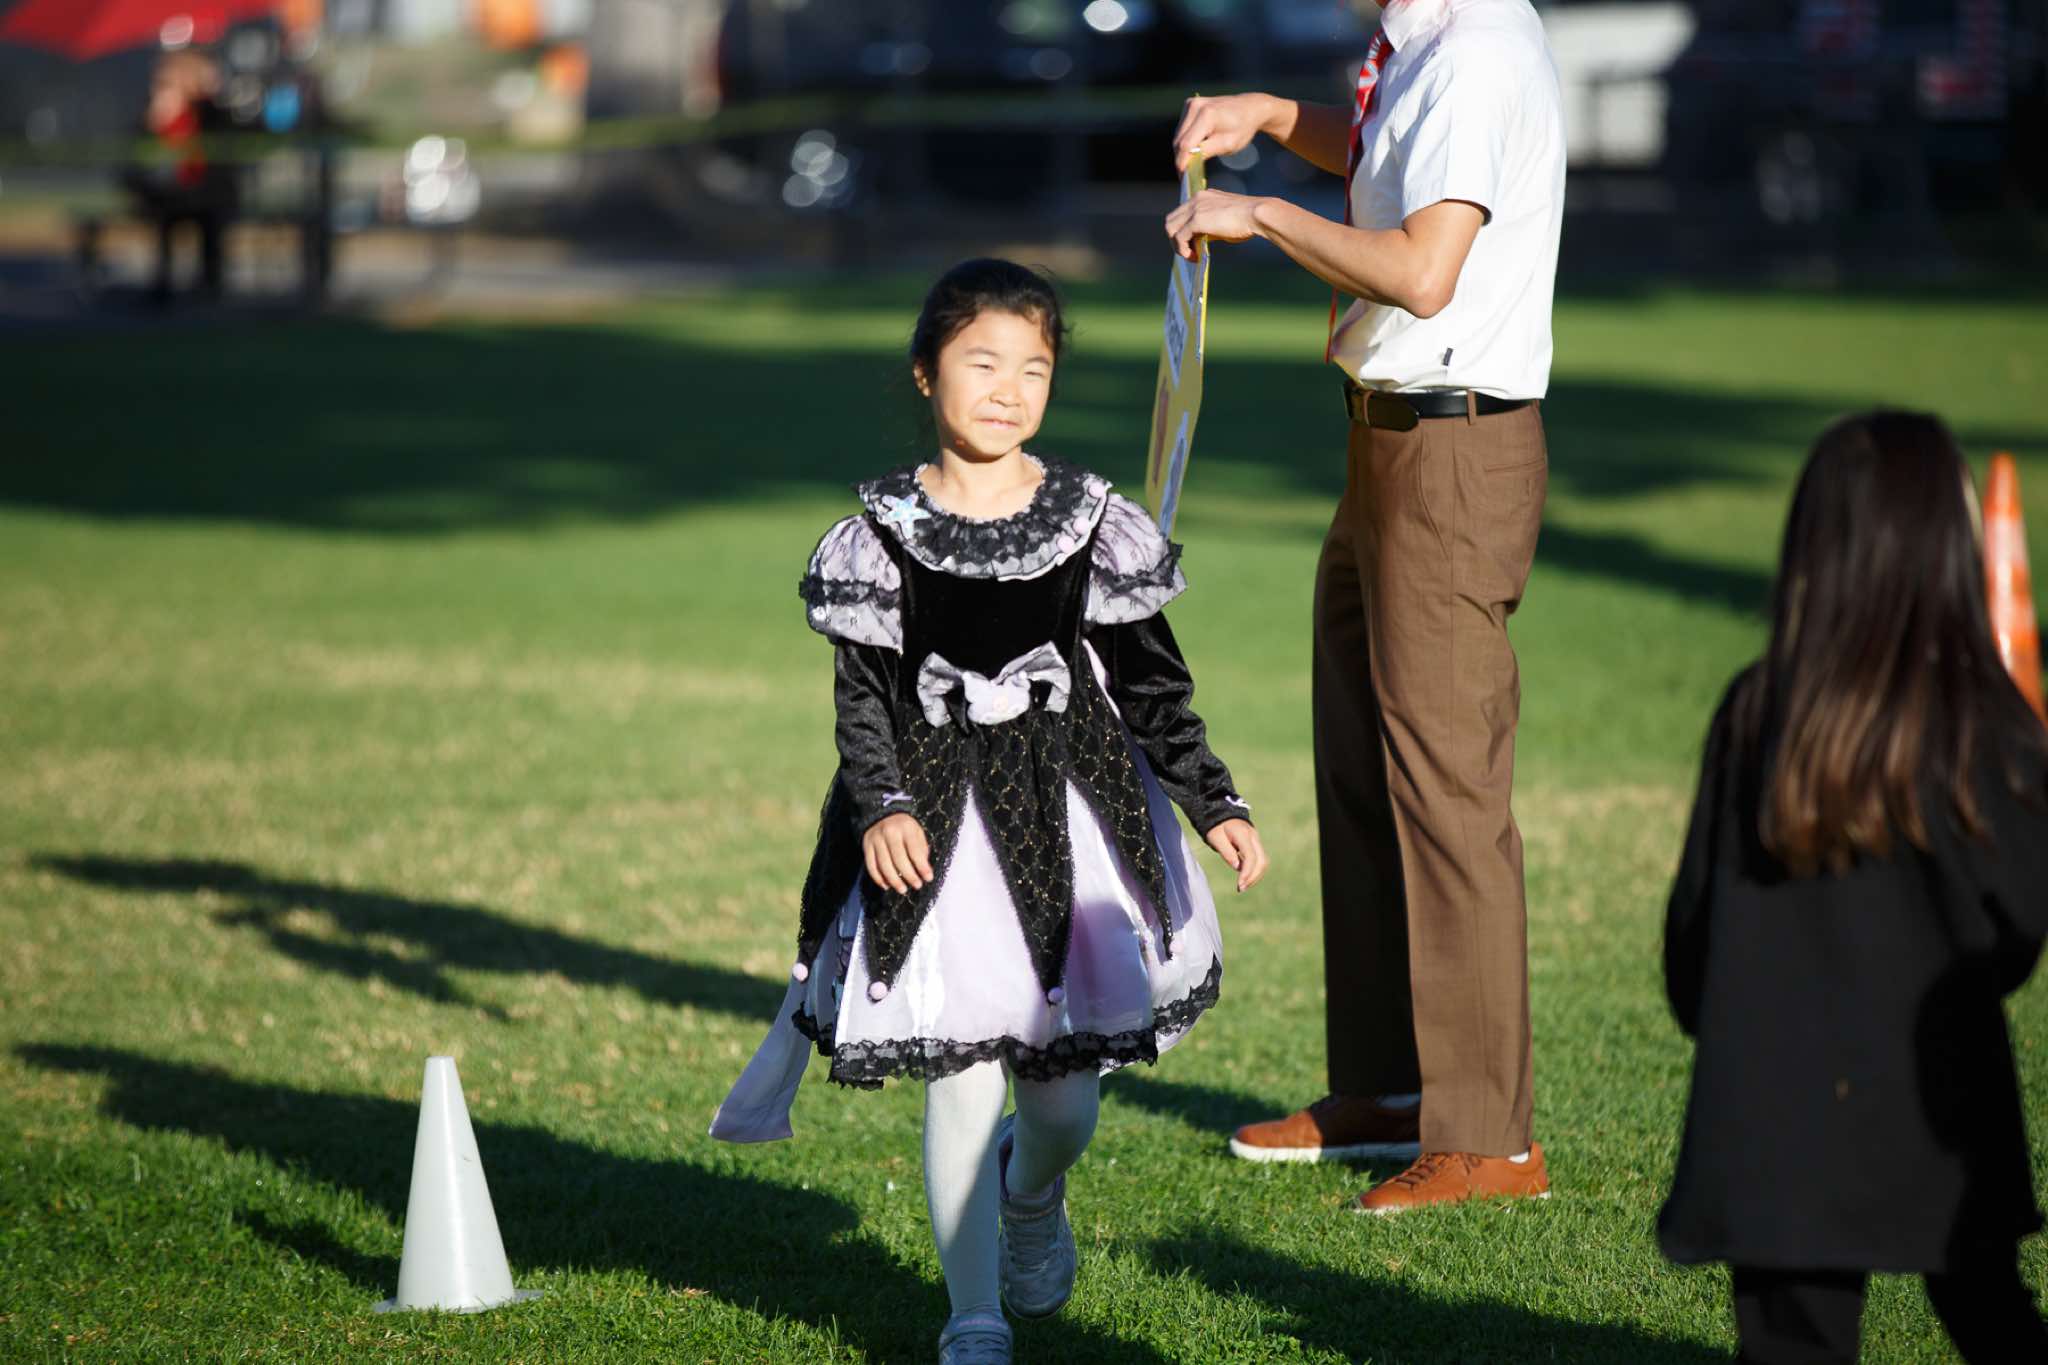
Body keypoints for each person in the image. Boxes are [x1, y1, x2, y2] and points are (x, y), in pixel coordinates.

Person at [710, 259, 1268, 1364]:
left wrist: (1214, 800)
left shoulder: (1091, 522)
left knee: (1060, 1110)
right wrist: (881, 806)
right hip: (935, 836)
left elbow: (1154, 688)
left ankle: (1029, 1194)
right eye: (981, 363)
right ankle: (972, 1316)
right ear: (925, 372)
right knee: (960, 1082)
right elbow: (862, 704)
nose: (1008, 389)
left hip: (1071, 825)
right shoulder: (878, 534)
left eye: (1033, 369)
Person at [1162, 0, 1564, 1209]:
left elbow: (1421, 274)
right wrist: (1277, 120)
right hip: (1384, 445)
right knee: (1361, 771)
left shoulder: (1476, 50)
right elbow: (1403, 165)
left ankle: (1486, 1141)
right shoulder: (1427, 42)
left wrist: (1259, 213)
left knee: (1443, 793)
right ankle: (1392, 1092)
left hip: (1451, 451)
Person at [1659, 411, 2048, 1364]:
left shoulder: (1757, 711)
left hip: (1775, 1119)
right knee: (1991, 1311)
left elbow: (1693, 941)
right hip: (1943, 1101)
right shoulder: (1985, 721)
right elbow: (2019, 930)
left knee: (1793, 1340)